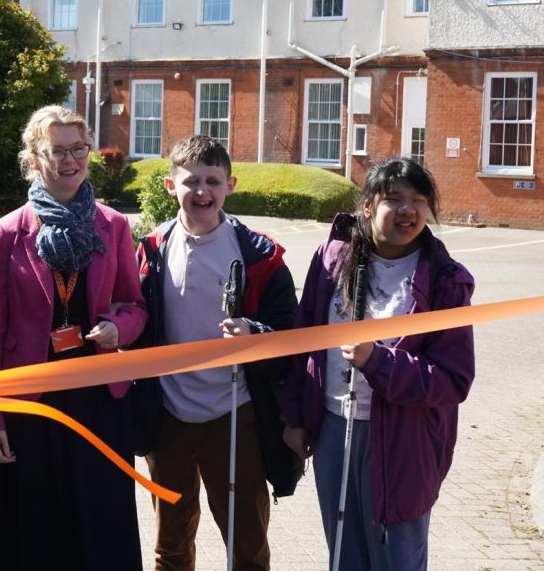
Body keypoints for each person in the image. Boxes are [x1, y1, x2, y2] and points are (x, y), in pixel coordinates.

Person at [0, 105, 147, 571]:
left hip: (98, 400)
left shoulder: (113, 225)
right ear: (34, 158)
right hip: (33, 402)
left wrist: (118, 327)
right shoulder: (7, 232)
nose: (70, 161)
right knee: (32, 533)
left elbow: (136, 305)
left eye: (78, 149)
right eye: (57, 151)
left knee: (99, 527)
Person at [280, 158, 475, 570]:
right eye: (395, 199)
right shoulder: (332, 257)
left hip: (406, 439)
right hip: (334, 426)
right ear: (367, 206)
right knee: (343, 552)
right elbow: (304, 338)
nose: (409, 210)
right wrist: (295, 416)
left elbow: (453, 380)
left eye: (419, 200)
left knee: (396, 555)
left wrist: (378, 362)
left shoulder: (445, 280)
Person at [135, 134, 299, 571]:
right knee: (170, 545)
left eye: (213, 181)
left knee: (245, 544)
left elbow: (291, 332)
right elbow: (136, 319)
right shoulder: (151, 250)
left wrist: (253, 331)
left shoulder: (260, 255)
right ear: (171, 187)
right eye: (191, 181)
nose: (202, 191)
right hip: (169, 413)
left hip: (235, 412)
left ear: (231, 185)